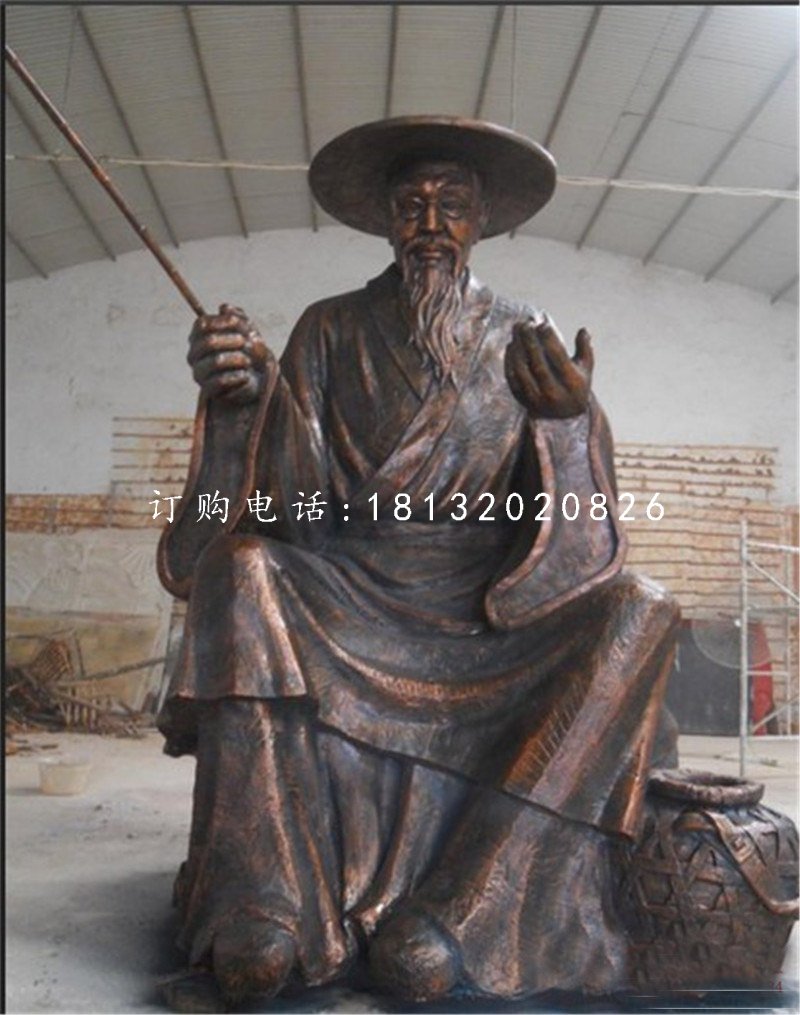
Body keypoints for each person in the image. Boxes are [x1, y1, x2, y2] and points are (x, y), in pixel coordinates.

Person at [156, 116, 680, 1011]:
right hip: (348, 591)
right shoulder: (329, 329)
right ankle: (266, 903)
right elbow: (290, 517)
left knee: (644, 607)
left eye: (452, 203)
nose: (431, 223)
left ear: (483, 219)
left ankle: (462, 910)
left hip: (483, 609)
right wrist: (244, 407)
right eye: (412, 203)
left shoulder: (524, 334)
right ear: (387, 219)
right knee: (241, 567)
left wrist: (566, 427)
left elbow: (578, 546)